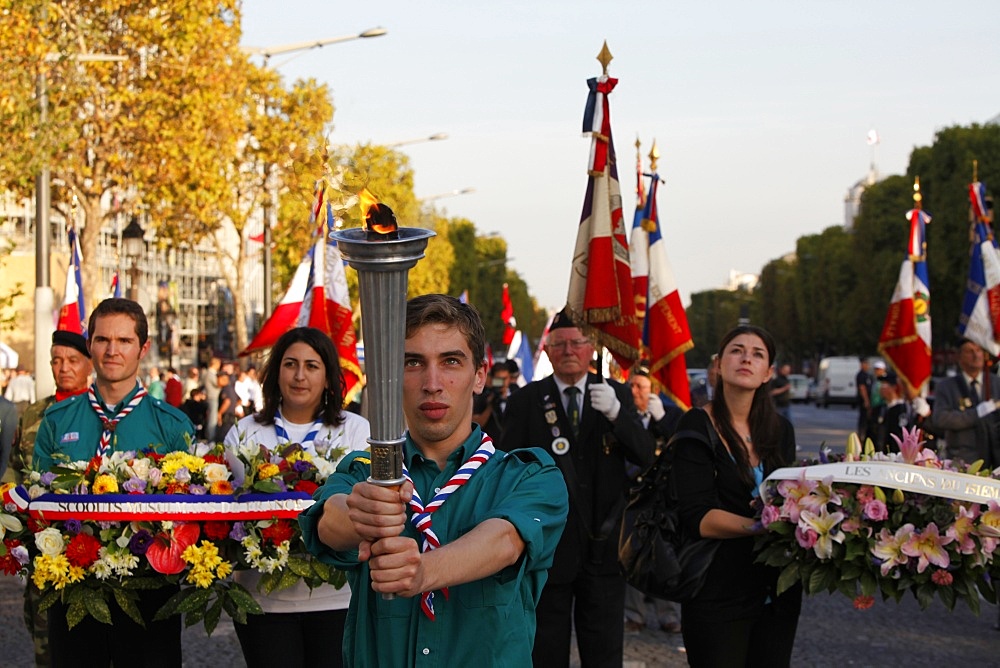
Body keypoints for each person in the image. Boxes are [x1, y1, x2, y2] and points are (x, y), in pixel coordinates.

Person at [299, 294, 568, 667]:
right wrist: (361, 515)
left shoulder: (529, 475)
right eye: (413, 362)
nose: (432, 383)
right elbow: (328, 520)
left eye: (451, 362)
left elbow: (504, 541)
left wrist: (423, 571)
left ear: (479, 376)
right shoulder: (365, 471)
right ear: (392, 377)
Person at [33, 298, 194, 668]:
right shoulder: (57, 420)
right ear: (89, 345)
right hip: (73, 592)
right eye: (103, 339)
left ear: (143, 348)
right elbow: (37, 503)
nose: (112, 350)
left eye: (124, 341)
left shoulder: (172, 426)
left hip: (150, 595)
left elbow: (189, 516)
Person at [499, 309, 655, 668]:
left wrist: (618, 415)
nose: (569, 350)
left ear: (591, 349)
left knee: (603, 650)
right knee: (546, 649)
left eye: (577, 343)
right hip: (547, 546)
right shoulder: (527, 400)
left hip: (604, 546)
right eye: (560, 344)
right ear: (548, 351)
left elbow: (645, 454)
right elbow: (509, 466)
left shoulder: (615, 393)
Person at [223, 327, 371, 668]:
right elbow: (225, 504)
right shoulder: (244, 432)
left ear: (329, 375)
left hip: (338, 598)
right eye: (290, 364)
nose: (300, 375)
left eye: (312, 365)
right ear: (276, 372)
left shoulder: (356, 430)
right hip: (261, 599)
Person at [670, 325, 801, 666]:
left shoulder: (781, 429)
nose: (746, 358)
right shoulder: (695, 426)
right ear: (718, 365)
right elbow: (697, 516)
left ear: (768, 373)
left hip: (776, 592)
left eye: (758, 354)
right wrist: (763, 527)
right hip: (716, 589)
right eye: (736, 350)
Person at [3, 330, 92, 668]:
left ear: (89, 365)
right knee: (45, 641)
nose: (63, 368)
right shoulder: (33, 415)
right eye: (56, 361)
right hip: (42, 550)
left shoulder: (100, 415)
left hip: (90, 552)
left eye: (72, 361)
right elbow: (14, 472)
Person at [623, 366, 684, 636]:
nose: (635, 391)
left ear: (653, 390)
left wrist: (662, 420)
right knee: (632, 553)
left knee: (665, 555)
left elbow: (681, 448)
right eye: (632, 386)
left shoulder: (671, 415)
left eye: (641, 387)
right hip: (632, 494)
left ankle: (668, 614)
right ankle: (634, 614)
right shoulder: (624, 415)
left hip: (662, 498)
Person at [930, 339, 1000, 466]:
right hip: (963, 461)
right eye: (969, 351)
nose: (976, 355)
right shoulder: (947, 386)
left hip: (994, 459)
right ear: (959, 357)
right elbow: (941, 418)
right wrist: (976, 413)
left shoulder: (996, 384)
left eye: (979, 350)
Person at [471, 361, 511, 439]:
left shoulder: (517, 395)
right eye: (499, 379)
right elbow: (476, 424)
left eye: (505, 378)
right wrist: (490, 406)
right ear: (492, 379)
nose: (502, 383)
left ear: (509, 378)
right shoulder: (482, 396)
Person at [204, 356, 222, 440]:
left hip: (213, 397)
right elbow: (217, 383)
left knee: (212, 417)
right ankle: (211, 437)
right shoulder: (210, 373)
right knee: (212, 418)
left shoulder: (211, 373)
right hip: (212, 397)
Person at [856, 358, 873, 440]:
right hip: (863, 401)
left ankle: (864, 435)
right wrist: (866, 400)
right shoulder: (861, 375)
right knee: (864, 418)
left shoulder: (867, 374)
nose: (866, 366)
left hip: (868, 400)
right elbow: (862, 388)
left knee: (867, 419)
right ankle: (861, 435)